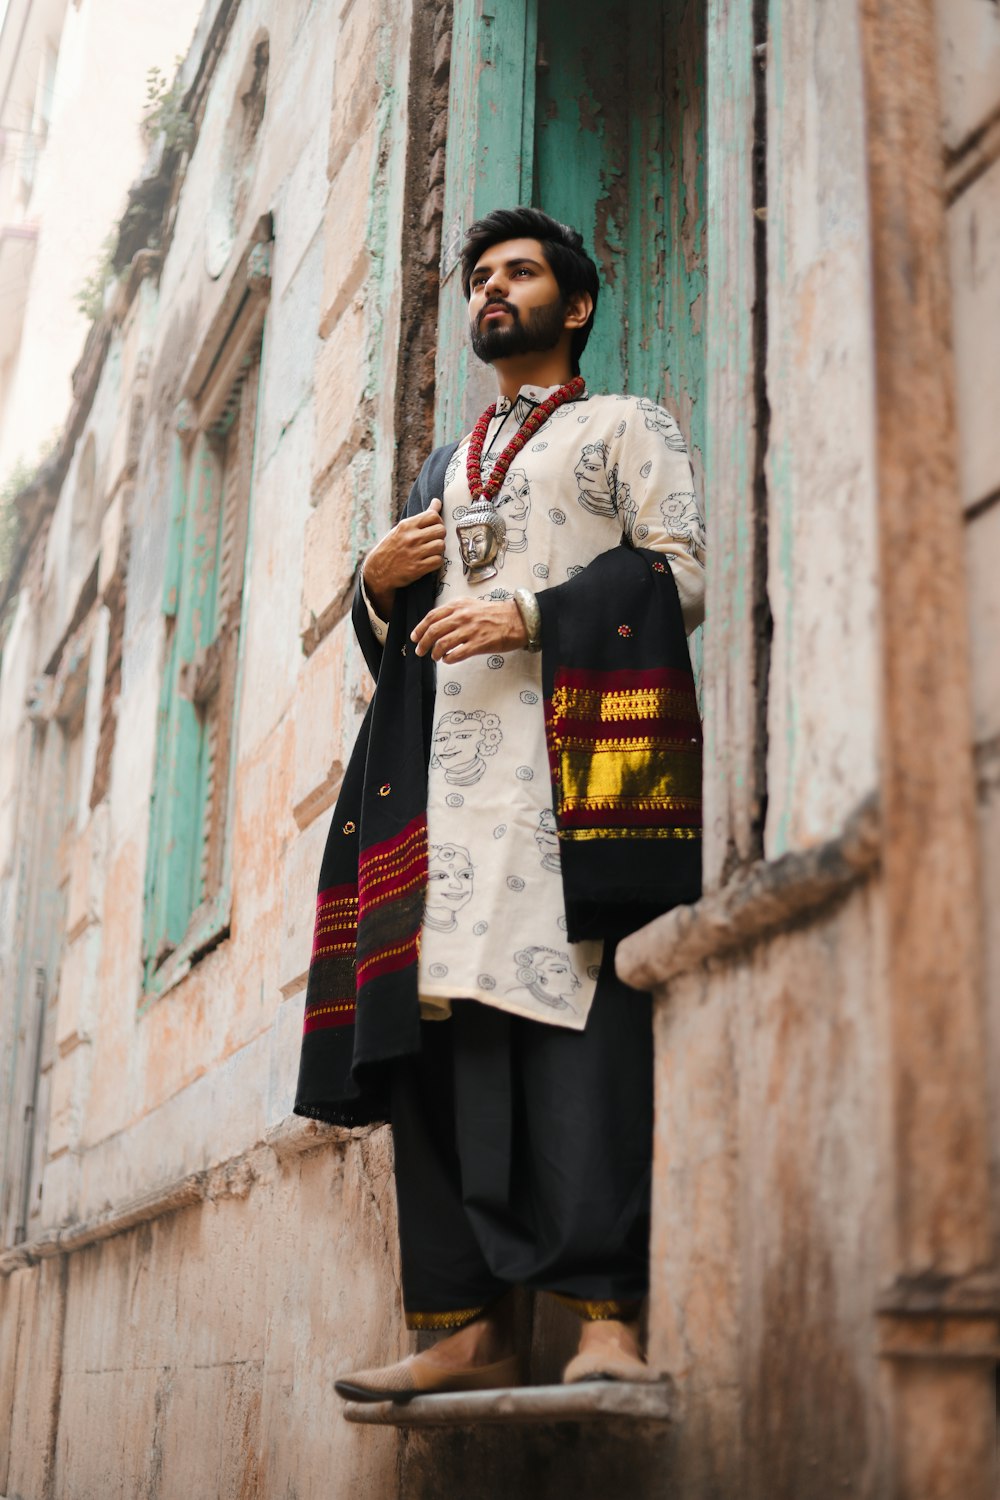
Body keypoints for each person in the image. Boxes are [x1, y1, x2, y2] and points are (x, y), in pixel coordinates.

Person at [294, 206, 705, 1400]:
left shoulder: (628, 426)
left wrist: (529, 615)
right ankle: (466, 1325)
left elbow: (678, 578)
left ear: (572, 307)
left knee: (581, 1036)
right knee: (436, 1049)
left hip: (570, 789)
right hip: (438, 802)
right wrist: (373, 592)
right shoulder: (442, 465)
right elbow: (411, 646)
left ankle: (603, 1321)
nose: (491, 289)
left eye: (518, 273)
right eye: (478, 277)